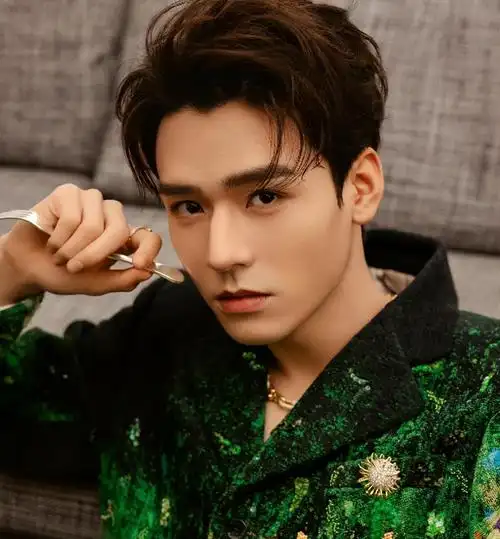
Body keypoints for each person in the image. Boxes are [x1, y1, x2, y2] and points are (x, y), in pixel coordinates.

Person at [0, 0, 498, 537]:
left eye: (264, 196)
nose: (220, 254)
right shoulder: (165, 331)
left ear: (360, 188)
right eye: (189, 206)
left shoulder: (483, 396)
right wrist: (12, 268)